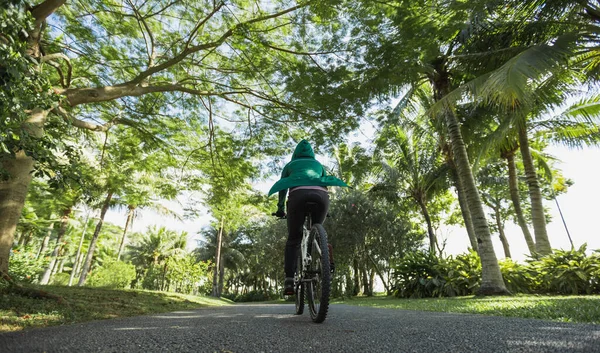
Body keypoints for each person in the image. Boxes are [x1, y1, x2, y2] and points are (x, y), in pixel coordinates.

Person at [268, 139, 349, 295]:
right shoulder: (318, 165)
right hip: (322, 197)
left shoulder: (290, 166)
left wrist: (280, 208)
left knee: (294, 238)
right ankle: (326, 251)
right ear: (311, 153)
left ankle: (289, 280)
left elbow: (283, 187)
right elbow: (324, 183)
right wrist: (325, 209)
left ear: (295, 153)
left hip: (297, 196)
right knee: (318, 231)